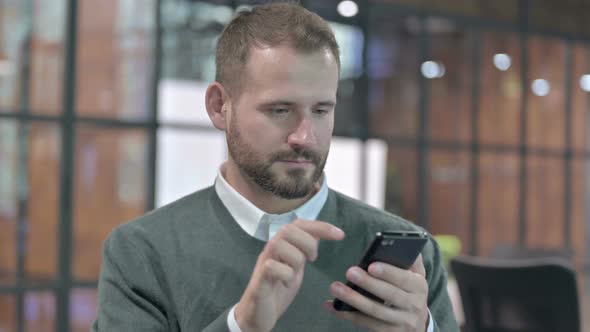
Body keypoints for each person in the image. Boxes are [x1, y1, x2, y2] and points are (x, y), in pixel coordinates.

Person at [92, 2, 458, 331]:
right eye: (280, 110)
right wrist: (242, 325)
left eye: (321, 111)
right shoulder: (142, 253)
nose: (305, 137)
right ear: (220, 106)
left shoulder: (410, 259)